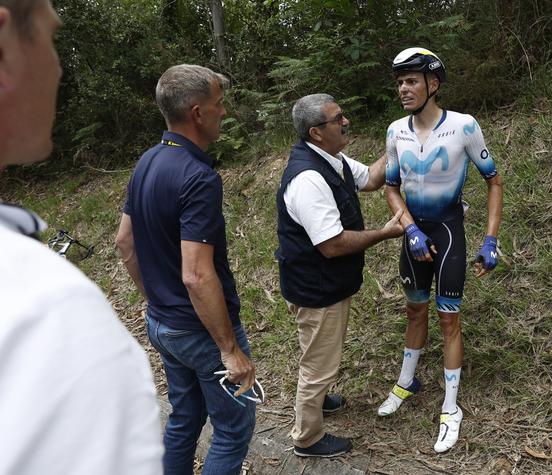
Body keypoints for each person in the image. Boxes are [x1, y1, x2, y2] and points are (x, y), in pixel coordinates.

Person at [0, 1, 163, 474]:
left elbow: (123, 239)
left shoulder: (147, 164)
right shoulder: (46, 314)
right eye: (52, 40)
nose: (59, 67)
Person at [115, 64, 255, 475]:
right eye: (218, 104)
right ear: (197, 113)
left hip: (163, 325)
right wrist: (229, 350)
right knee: (233, 429)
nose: (224, 113)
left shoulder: (147, 161)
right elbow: (196, 274)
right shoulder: (199, 177)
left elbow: (125, 243)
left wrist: (154, 301)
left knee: (185, 417)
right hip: (200, 333)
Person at [378, 48, 503, 453]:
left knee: (450, 320)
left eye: (411, 80)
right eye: (400, 82)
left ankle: (451, 408)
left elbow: (494, 182)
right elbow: (391, 187)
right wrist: (409, 229)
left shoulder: (464, 127)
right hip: (414, 235)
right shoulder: (395, 130)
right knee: (414, 309)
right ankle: (407, 380)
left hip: (449, 232)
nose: (403, 88)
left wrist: (490, 240)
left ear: (433, 84)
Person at [276, 93, 404, 458]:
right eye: (338, 119)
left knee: (316, 352)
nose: (346, 122)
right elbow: (331, 244)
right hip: (316, 287)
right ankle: (307, 438)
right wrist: (383, 233)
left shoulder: (333, 160)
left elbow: (372, 179)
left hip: (319, 281)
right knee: (318, 364)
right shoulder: (308, 179)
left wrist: (396, 140)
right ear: (317, 132)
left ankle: (319, 402)